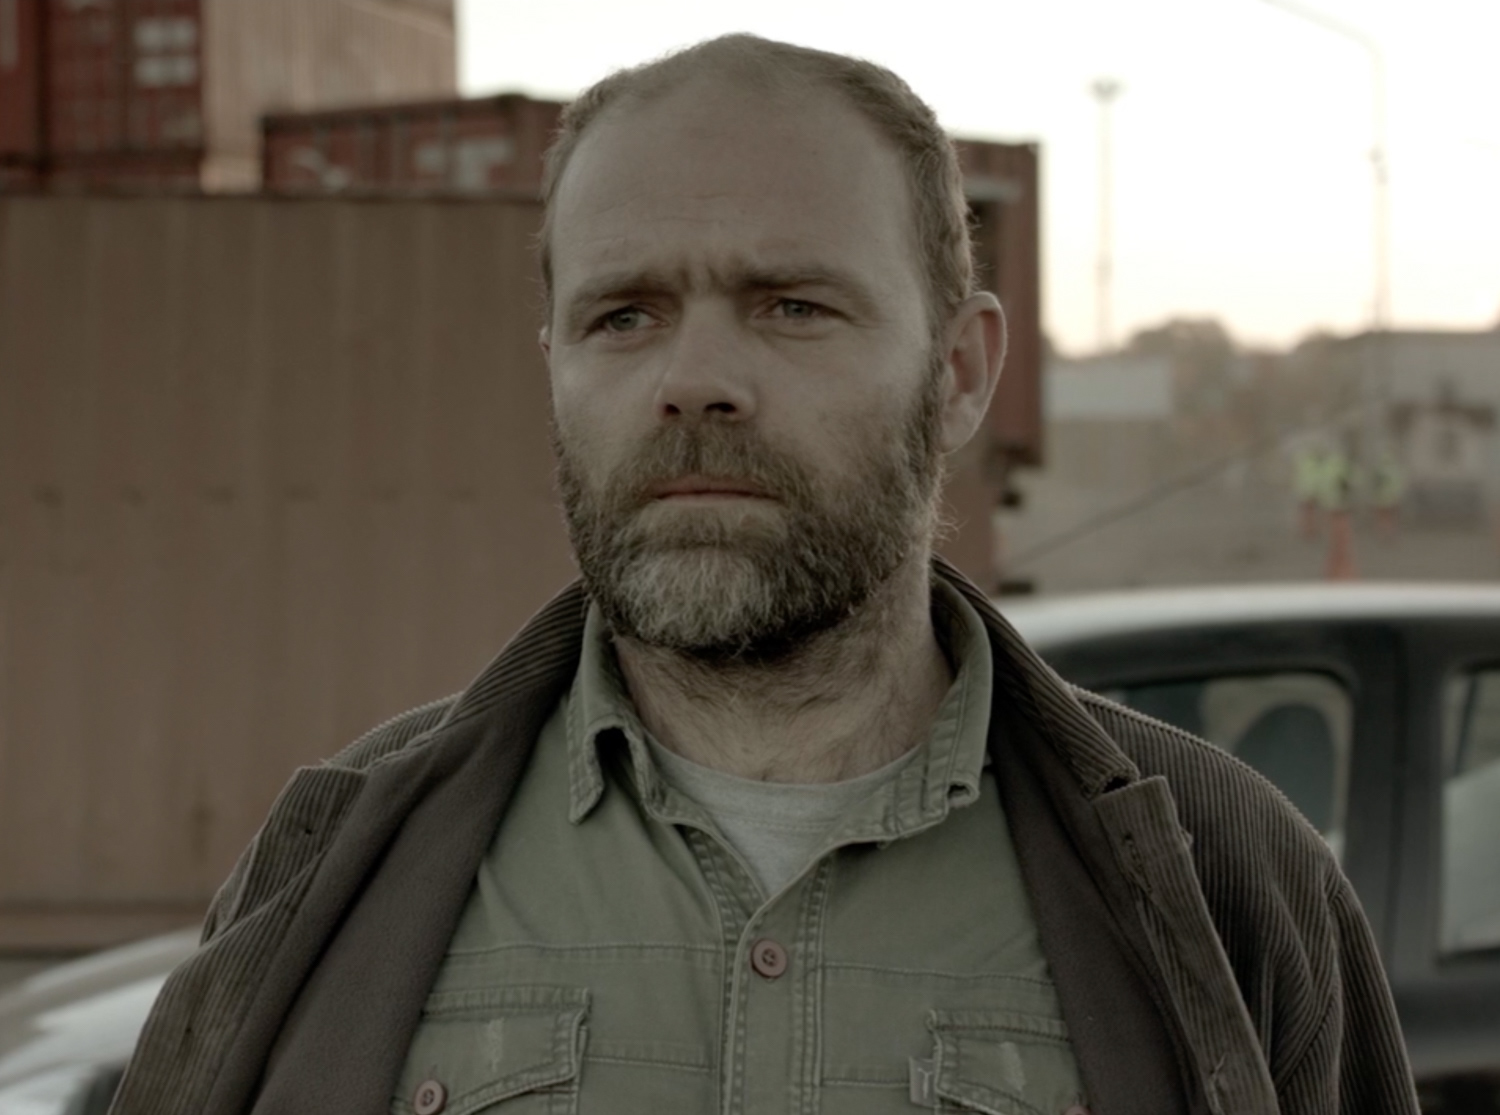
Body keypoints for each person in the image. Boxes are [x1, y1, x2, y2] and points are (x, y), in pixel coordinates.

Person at [111, 34, 1417, 1115]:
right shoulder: (341, 858)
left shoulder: (1228, 879)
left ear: (959, 372)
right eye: (625, 315)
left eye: (793, 305)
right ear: (555, 366)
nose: (694, 381)